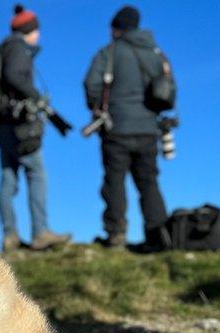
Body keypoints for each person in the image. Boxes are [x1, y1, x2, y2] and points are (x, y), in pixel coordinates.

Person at [84, 5, 172, 251]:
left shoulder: (108, 54)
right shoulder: (156, 54)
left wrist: (97, 106)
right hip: (148, 128)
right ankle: (158, 236)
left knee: (115, 181)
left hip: (116, 129)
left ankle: (116, 235)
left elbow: (91, 83)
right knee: (149, 183)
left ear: (117, 28)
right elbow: (168, 88)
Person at [0, 4, 71, 252]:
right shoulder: (18, 49)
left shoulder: (2, 49)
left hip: (3, 126)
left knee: (8, 178)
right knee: (37, 174)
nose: (38, 34)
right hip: (20, 126)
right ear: (30, 29)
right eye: (36, 29)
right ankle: (40, 232)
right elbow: (15, 76)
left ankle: (10, 236)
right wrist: (35, 97)